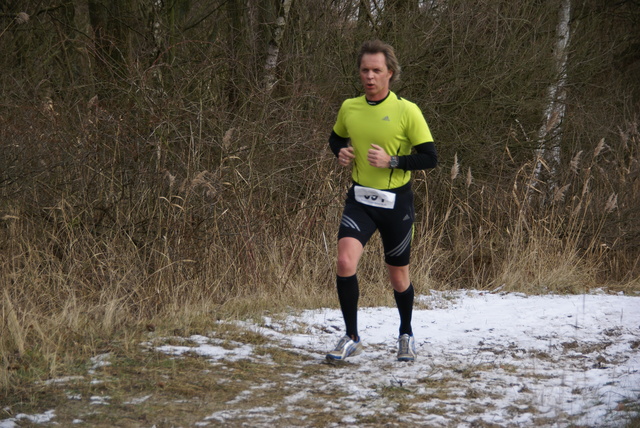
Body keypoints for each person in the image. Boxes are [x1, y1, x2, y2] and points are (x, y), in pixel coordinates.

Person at [326, 40, 438, 362]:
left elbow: (430, 158)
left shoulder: (407, 110)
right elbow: (336, 136)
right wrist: (340, 150)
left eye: (377, 70)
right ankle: (351, 336)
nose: (370, 76)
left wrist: (393, 161)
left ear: (390, 73)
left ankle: (406, 333)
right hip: (360, 200)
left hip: (397, 205)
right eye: (365, 70)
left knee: (398, 277)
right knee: (345, 262)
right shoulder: (350, 107)